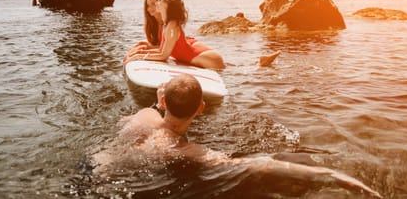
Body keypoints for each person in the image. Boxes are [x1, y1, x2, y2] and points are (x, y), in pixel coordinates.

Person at [94, 74, 382, 198]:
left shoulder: (143, 117)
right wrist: (328, 175)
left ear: (164, 102)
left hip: (96, 168)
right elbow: (261, 164)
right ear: (202, 109)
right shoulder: (188, 150)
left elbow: (153, 113)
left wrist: (159, 102)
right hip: (137, 186)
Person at [125, 0, 227, 70]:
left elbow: (163, 56)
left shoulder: (172, 25)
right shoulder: (166, 25)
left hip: (211, 60)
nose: (156, 3)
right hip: (199, 57)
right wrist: (139, 53)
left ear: (167, 4)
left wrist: (138, 56)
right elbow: (161, 50)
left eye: (159, 0)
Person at [125, 0, 209, 59]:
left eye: (153, 4)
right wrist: (137, 51)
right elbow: (161, 46)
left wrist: (141, 53)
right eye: (147, 6)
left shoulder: (167, 23)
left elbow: (166, 49)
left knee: (143, 45)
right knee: (141, 44)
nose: (149, 8)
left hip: (188, 44)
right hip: (177, 46)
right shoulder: (153, 24)